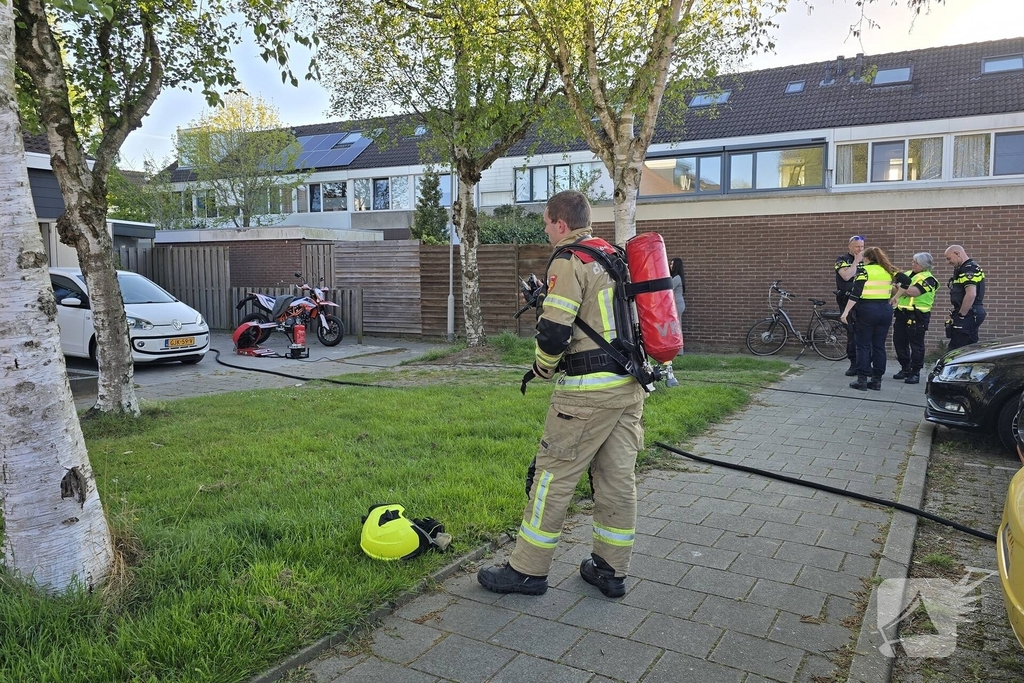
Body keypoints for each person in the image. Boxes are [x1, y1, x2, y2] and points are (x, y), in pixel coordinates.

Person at [477, 190, 645, 599]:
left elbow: (555, 332)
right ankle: (610, 571)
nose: (546, 231)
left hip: (585, 395)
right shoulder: (613, 257)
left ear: (561, 224)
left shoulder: (570, 260)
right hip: (628, 386)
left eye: (547, 224)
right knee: (617, 480)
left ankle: (527, 571)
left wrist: (541, 367)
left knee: (551, 478)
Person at [840, 246, 896, 391]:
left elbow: (856, 293)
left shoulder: (864, 271)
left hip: (867, 310)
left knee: (863, 345)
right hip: (885, 309)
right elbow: (905, 281)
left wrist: (846, 312)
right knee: (879, 346)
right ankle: (877, 381)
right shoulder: (888, 270)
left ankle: (862, 380)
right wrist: (896, 297)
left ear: (867, 258)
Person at [890, 253, 940, 385]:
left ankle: (915, 372)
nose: (912, 264)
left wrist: (899, 287)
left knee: (916, 345)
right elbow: (894, 287)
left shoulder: (930, 280)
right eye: (912, 261)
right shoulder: (908, 274)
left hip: (917, 316)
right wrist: (900, 287)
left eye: (915, 262)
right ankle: (905, 368)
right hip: (901, 313)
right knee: (899, 342)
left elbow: (912, 292)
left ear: (924, 265)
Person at [944, 245, 986, 350]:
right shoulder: (962, 269)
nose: (948, 262)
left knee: (956, 350)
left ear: (957, 253)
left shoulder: (969, 269)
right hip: (969, 313)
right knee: (968, 348)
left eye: (949, 258)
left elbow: (971, 294)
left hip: (969, 313)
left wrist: (961, 315)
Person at [835, 235, 865, 376]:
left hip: (864, 300)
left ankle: (865, 364)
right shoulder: (842, 260)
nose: (860, 249)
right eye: (857, 246)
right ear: (850, 246)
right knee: (852, 332)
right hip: (847, 300)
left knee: (865, 332)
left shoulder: (868, 260)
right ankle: (853, 363)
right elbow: (846, 276)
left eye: (862, 247)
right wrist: (856, 262)